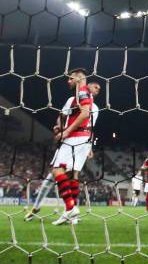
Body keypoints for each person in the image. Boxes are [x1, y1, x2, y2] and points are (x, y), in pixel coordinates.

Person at [25, 82, 101, 223]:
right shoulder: (71, 101)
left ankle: (70, 212)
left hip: (81, 143)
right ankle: (41, 208)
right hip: (67, 141)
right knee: (51, 177)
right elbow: (62, 116)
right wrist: (58, 126)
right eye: (95, 86)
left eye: (99, 89)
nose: (98, 89)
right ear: (87, 86)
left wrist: (90, 147)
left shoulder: (95, 108)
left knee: (71, 175)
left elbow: (90, 128)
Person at [47, 69, 94, 225]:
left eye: (70, 78)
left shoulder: (82, 92)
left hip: (75, 138)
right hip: (83, 139)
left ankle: (70, 208)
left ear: (79, 78)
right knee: (72, 175)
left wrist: (66, 131)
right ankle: (72, 216)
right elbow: (63, 116)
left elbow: (85, 114)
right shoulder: (76, 97)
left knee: (56, 170)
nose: (68, 81)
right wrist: (60, 127)